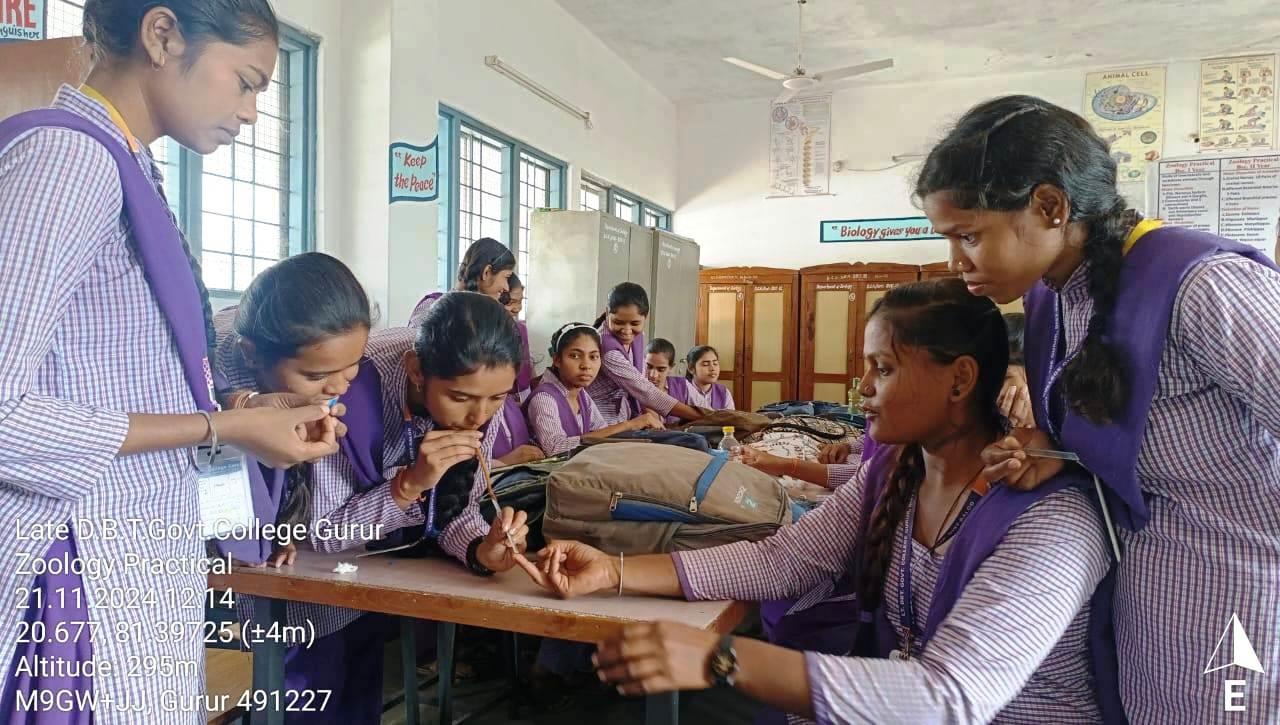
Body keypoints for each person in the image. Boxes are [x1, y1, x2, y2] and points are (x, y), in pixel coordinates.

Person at [521, 279, 1114, 723]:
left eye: (883, 369)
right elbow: (781, 560)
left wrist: (720, 657)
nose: (864, 389)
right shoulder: (894, 477)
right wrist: (614, 570)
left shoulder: (1052, 518)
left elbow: (947, 699)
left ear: (959, 380)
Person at [0, 0, 339, 719]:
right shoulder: (66, 162)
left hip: (130, 560)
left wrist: (245, 411)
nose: (250, 112)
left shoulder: (128, 167)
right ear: (163, 35)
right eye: (245, 81)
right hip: (83, 570)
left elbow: (111, 371)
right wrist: (221, 429)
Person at [915, 94, 1280, 721]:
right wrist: (1057, 451)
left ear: (1049, 206)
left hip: (1244, 599)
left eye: (969, 236)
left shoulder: (1203, 284)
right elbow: (1140, 438)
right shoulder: (1054, 300)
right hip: (1149, 595)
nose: (955, 263)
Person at [527, 323, 663, 456]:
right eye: (575, 356)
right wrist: (629, 425)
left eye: (593, 357)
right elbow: (555, 448)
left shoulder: (581, 395)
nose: (586, 365)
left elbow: (602, 430)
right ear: (557, 360)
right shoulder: (544, 398)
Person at [589, 283, 701, 426]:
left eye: (635, 323)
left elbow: (642, 385)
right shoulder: (606, 348)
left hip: (623, 417)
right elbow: (644, 391)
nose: (627, 330)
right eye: (618, 322)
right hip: (600, 421)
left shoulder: (637, 336)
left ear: (645, 317)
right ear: (607, 313)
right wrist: (703, 416)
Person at [408, 237, 515, 326]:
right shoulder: (431, 308)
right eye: (506, 277)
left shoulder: (490, 317)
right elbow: (415, 341)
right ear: (486, 272)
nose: (506, 287)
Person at [498, 274, 536, 401]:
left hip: (525, 393)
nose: (517, 308)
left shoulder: (521, 329)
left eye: (520, 301)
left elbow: (528, 363)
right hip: (502, 397)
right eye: (511, 303)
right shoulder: (490, 333)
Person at [645, 338, 694, 425]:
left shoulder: (682, 385)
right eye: (649, 367)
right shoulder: (633, 388)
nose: (653, 375)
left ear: (671, 367)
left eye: (661, 369)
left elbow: (706, 412)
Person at [684, 345, 735, 410]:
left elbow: (730, 415)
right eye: (705, 364)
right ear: (691, 368)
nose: (713, 368)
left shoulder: (724, 392)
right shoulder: (682, 390)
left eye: (715, 363)